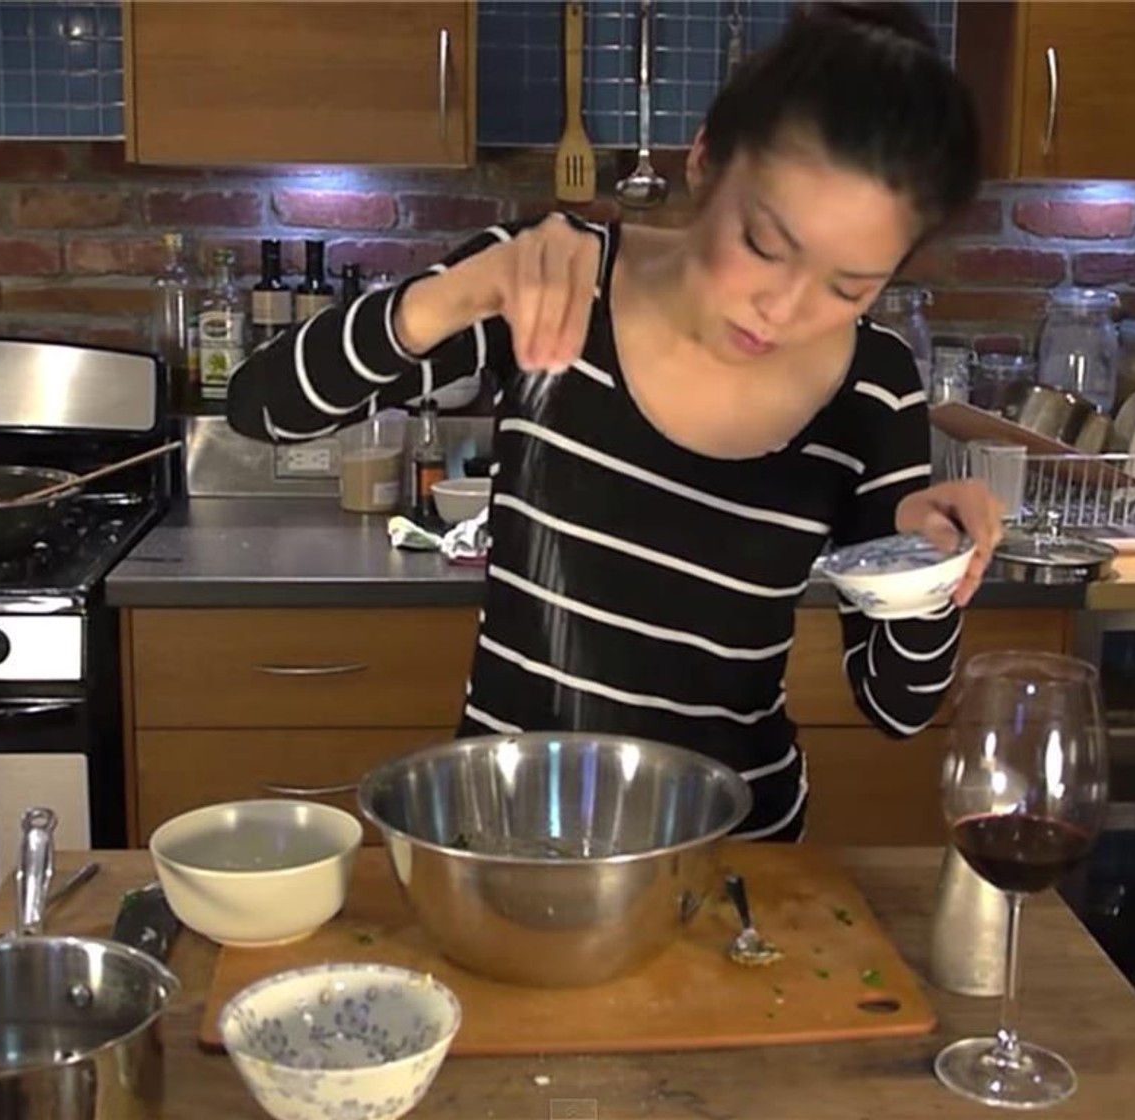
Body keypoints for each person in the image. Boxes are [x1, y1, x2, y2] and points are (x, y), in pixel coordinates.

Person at [227, 1, 1003, 841]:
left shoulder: (873, 385)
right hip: (512, 836)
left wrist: (932, 572)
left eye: (848, 287)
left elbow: (897, 705)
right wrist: (454, 294)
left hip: (735, 857)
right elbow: (263, 408)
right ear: (705, 160)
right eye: (764, 243)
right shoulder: (555, 281)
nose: (783, 308)